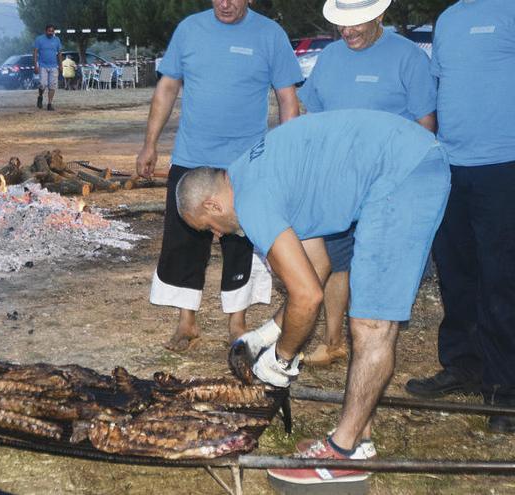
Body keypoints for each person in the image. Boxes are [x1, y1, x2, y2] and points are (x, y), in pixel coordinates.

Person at [176, 109, 450, 486]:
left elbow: (308, 297)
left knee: (371, 323)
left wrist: (282, 360)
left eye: (210, 229)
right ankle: (360, 439)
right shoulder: (253, 175)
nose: (218, 236)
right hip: (404, 161)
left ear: (212, 205)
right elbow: (315, 269)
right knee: (366, 317)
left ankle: (343, 453)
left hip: (403, 174)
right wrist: (267, 335)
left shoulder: (253, 200)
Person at [136, 0, 302, 352]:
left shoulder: (270, 34)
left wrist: (288, 154)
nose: (224, 4)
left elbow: (288, 99)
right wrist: (149, 144)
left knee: (242, 242)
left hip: (247, 162)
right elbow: (167, 88)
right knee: (184, 242)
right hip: (191, 157)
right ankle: (186, 322)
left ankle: (237, 323)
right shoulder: (189, 30)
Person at [297, 0, 437, 367]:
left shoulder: (409, 58)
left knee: (378, 265)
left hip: (387, 186)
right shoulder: (328, 59)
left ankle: (372, 345)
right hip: (337, 184)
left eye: (357, 23)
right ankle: (332, 342)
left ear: (379, 16)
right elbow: (312, 118)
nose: (348, 32)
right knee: (335, 261)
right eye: (342, 25)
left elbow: (426, 125)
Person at [405, 0, 515, 433]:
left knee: (501, 277)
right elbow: (439, 88)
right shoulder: (448, 19)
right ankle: (463, 365)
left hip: (504, 166)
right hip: (451, 166)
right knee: (456, 273)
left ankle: (504, 389)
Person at [33, 24, 62, 110]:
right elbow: (35, 52)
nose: (51, 32)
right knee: (43, 84)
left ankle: (49, 104)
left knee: (52, 86)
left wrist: (61, 65)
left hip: (54, 66)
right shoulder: (39, 39)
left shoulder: (57, 40)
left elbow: (59, 53)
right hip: (43, 65)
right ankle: (40, 96)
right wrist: (35, 65)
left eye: (52, 31)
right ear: (46, 31)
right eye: (49, 31)